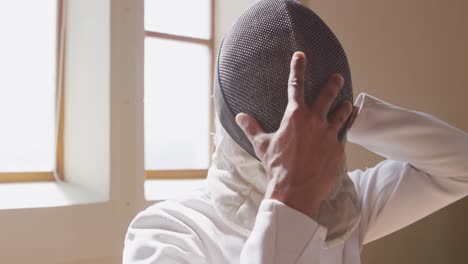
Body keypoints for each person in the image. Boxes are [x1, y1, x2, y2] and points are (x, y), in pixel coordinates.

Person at [123, 0, 468, 262]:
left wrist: (349, 116)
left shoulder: (343, 206)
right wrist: (289, 201)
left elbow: (461, 168)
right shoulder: (165, 230)